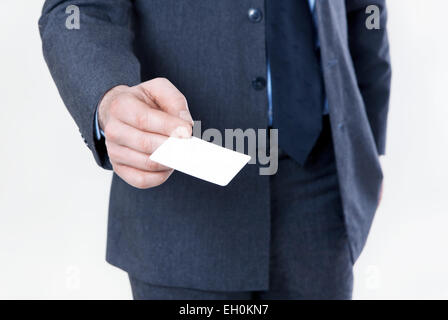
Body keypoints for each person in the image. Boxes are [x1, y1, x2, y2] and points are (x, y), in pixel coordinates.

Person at [39, 0, 391, 300]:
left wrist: (368, 149)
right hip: (182, 193)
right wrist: (110, 97)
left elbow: (365, 11)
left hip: (323, 180)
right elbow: (79, 8)